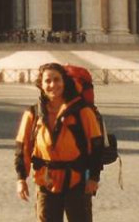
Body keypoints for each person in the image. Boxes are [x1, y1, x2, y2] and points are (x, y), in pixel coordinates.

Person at [15, 63, 102, 222]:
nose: (52, 85)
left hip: (77, 180)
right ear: (40, 84)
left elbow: (96, 146)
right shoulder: (33, 114)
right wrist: (21, 178)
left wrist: (94, 177)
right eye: (48, 81)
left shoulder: (82, 112)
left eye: (57, 80)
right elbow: (23, 148)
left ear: (64, 82)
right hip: (46, 181)